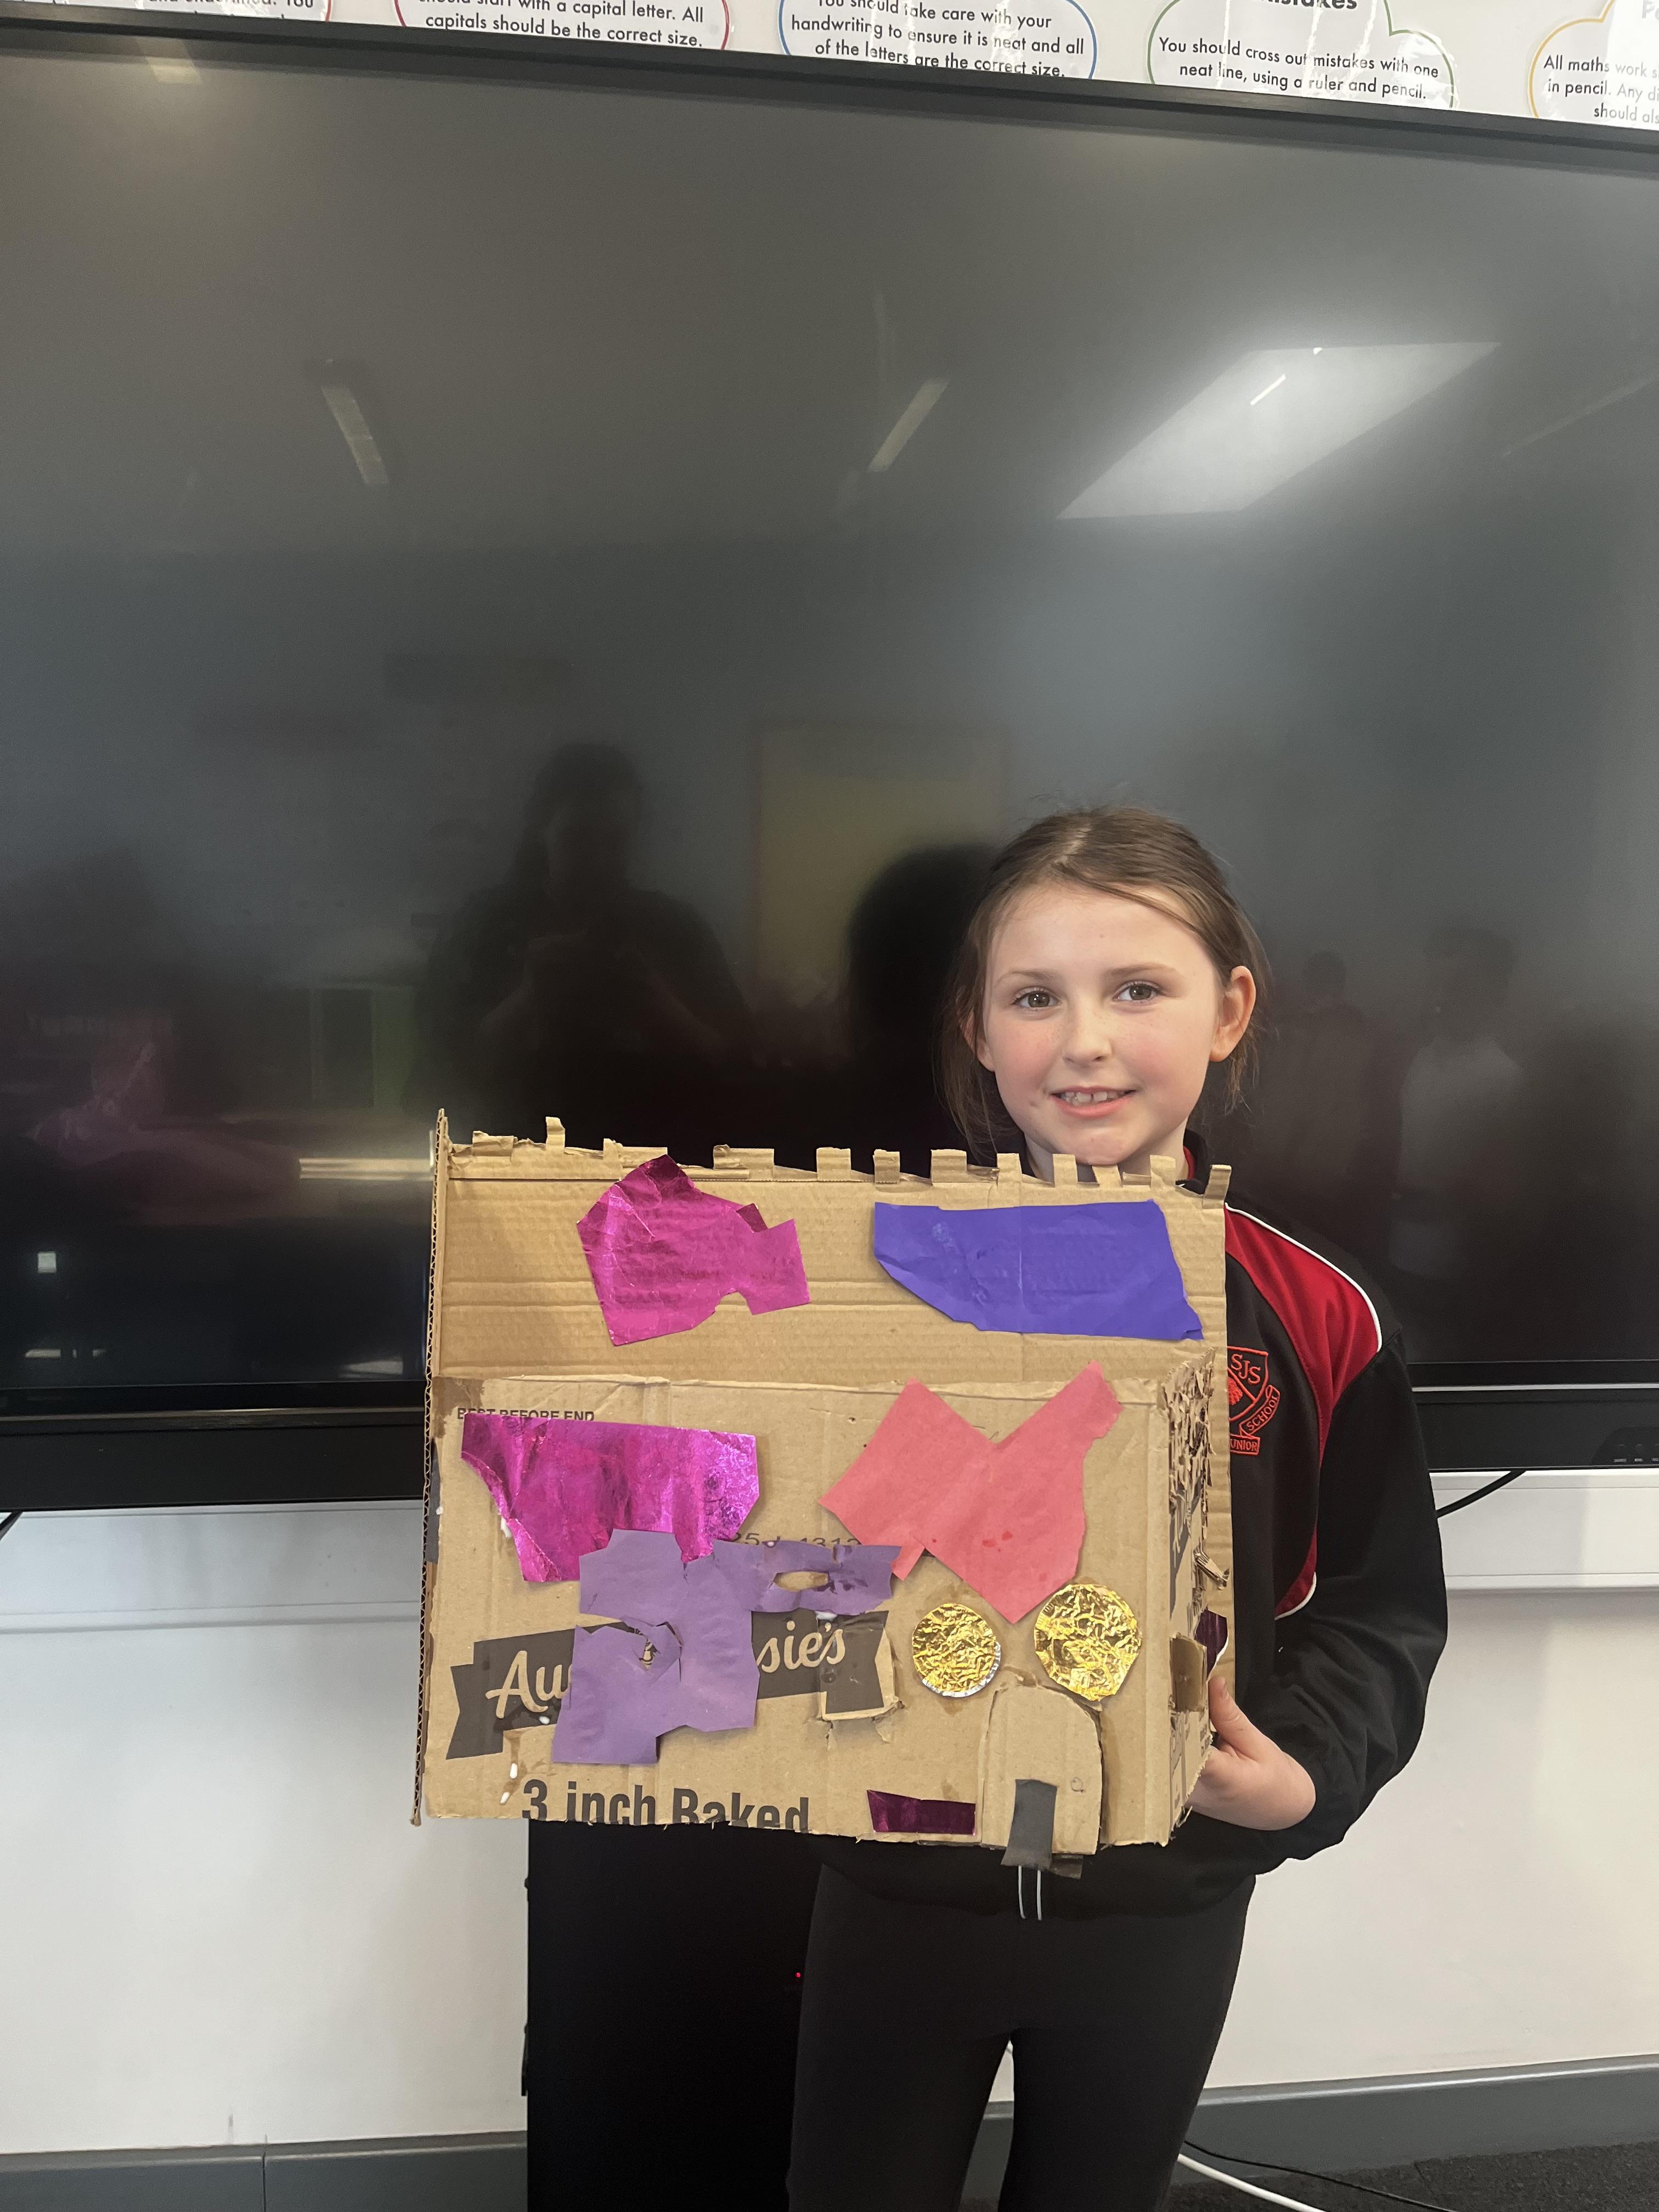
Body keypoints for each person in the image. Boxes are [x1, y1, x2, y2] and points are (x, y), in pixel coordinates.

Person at [788, 805, 1447, 2212]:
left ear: (1231, 1011)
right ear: (977, 1029)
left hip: (1166, 1885)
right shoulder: (870, 1288)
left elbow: (1381, 1605)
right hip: (901, 1878)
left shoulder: (1318, 1313)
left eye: (1138, 988)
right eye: (1036, 997)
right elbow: (770, 1538)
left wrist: (1305, 1774)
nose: (1084, 1041)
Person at [407, 740, 751, 1155]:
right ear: (541, 829)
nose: (599, 859)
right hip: (513, 1161)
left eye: (616, 841)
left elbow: (741, 1067)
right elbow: (436, 1073)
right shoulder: (484, 927)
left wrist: (660, 1007)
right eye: (579, 838)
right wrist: (528, 999)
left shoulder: (675, 929)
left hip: (653, 1163)